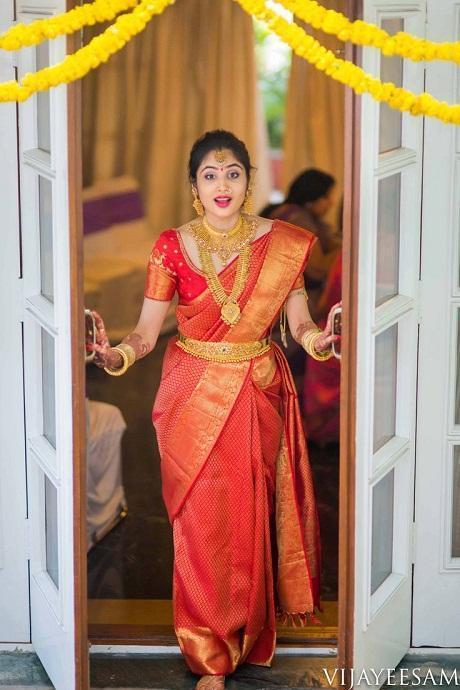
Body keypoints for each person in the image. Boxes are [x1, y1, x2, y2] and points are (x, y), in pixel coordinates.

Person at [87, 130, 341, 690]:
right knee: (200, 522)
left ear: (249, 182)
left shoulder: (284, 242)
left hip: (255, 389)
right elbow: (148, 331)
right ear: (194, 187)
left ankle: (244, 635)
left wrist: (320, 342)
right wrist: (117, 354)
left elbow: (298, 324)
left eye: (233, 173)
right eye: (209, 174)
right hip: (190, 391)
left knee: (247, 517)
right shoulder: (171, 245)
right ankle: (209, 653)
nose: (222, 184)